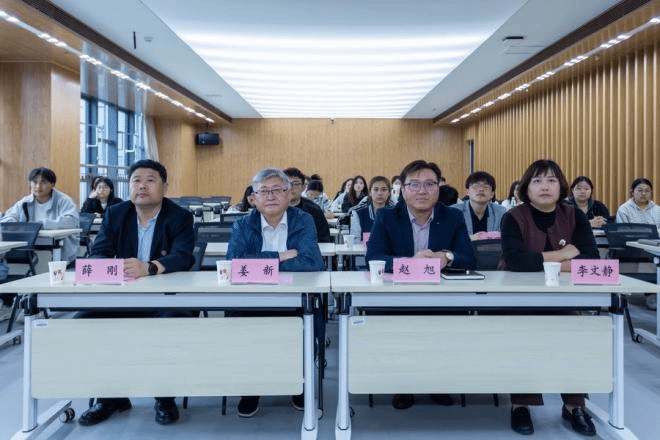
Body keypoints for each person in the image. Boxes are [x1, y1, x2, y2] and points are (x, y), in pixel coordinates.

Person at [76, 159, 195, 427]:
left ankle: (164, 397)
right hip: (122, 297)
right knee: (84, 322)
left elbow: (183, 256)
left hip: (166, 299)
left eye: (150, 180)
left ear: (164, 187)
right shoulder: (116, 214)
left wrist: (149, 268)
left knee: (171, 324)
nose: (142, 186)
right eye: (136, 180)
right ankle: (111, 397)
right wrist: (111, 269)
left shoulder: (179, 216)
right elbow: (99, 253)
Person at [366, 160, 475, 411]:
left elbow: (469, 258)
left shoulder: (453, 216)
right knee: (404, 329)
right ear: (402, 190)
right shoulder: (387, 216)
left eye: (429, 184)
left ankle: (438, 382)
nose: (422, 191)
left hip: (442, 297)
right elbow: (374, 258)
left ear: (439, 188)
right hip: (398, 297)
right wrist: (409, 263)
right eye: (414, 185)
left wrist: (446, 257)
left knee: (444, 327)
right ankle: (403, 384)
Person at [501, 159, 598, 436]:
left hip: (563, 297)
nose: (545, 186)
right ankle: (520, 405)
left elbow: (590, 259)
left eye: (552, 180)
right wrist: (564, 256)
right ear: (526, 188)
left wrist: (543, 261)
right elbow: (516, 262)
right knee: (523, 336)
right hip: (519, 298)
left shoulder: (574, 216)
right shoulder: (513, 217)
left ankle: (574, 406)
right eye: (537, 181)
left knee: (574, 335)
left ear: (561, 187)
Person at [227, 168, 324, 417]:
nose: (270, 196)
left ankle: (299, 384)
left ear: (289, 193)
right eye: (263, 191)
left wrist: (259, 265)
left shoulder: (303, 220)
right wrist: (279, 256)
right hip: (250, 300)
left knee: (302, 327)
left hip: (295, 299)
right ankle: (251, 388)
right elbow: (235, 265)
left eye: (276, 190)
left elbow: (312, 262)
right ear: (253, 198)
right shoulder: (242, 224)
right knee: (247, 334)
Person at [1, 167, 79, 263]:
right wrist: (13, 224)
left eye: (43, 182)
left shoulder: (64, 201)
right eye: (35, 182)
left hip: (60, 248)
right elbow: (8, 218)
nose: (38, 186)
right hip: (29, 244)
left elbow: (72, 221)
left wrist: (40, 225)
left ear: (52, 184)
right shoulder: (25, 202)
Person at [451, 171, 507, 240]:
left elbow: (504, 237)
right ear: (467, 191)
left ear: (492, 194)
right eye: (476, 186)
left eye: (486, 187)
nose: (481, 189)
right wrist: (471, 238)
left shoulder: (500, 212)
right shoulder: (454, 211)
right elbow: (448, 238)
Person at [283, 167, 332, 243]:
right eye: (287, 183)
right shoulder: (272, 209)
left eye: (295, 184)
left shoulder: (314, 210)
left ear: (303, 187)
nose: (291, 188)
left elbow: (323, 239)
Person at [350, 176, 394, 240]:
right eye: (376, 189)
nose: (379, 193)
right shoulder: (358, 213)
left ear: (389, 193)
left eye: (384, 190)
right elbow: (355, 241)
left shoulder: (396, 213)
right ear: (370, 192)